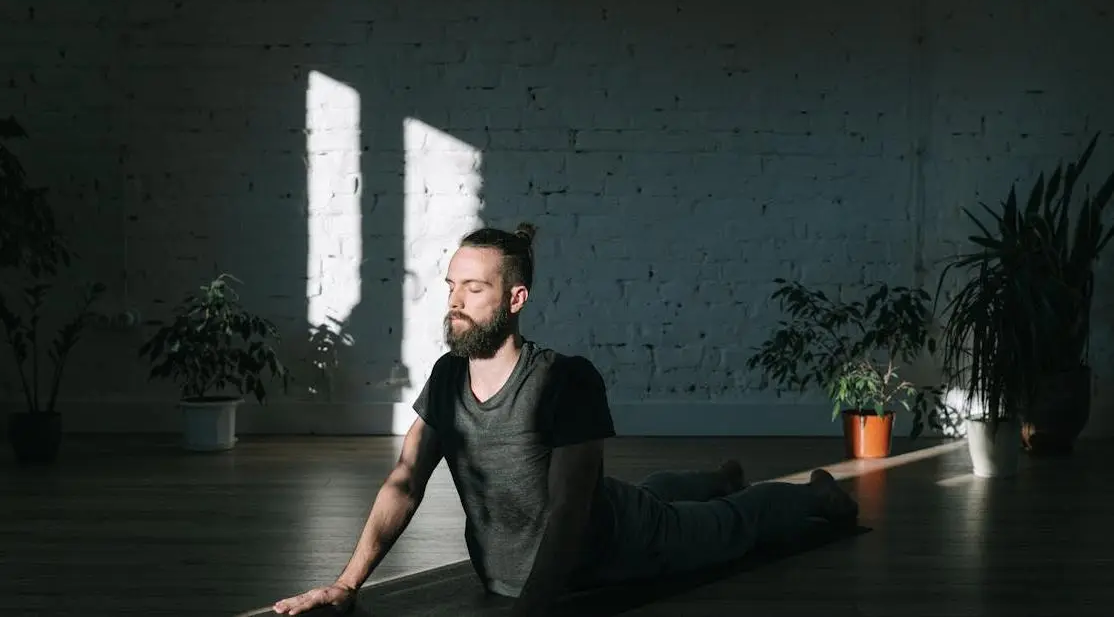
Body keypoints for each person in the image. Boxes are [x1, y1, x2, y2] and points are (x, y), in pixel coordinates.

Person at [272, 223, 858, 616]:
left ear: (515, 299)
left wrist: (530, 608)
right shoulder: (447, 377)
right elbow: (404, 482)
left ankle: (817, 495)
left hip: (620, 546)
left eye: (474, 289)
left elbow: (570, 509)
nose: (454, 300)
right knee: (640, 491)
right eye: (452, 285)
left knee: (731, 522)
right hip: (557, 538)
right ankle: (715, 477)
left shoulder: (565, 380)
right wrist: (347, 584)